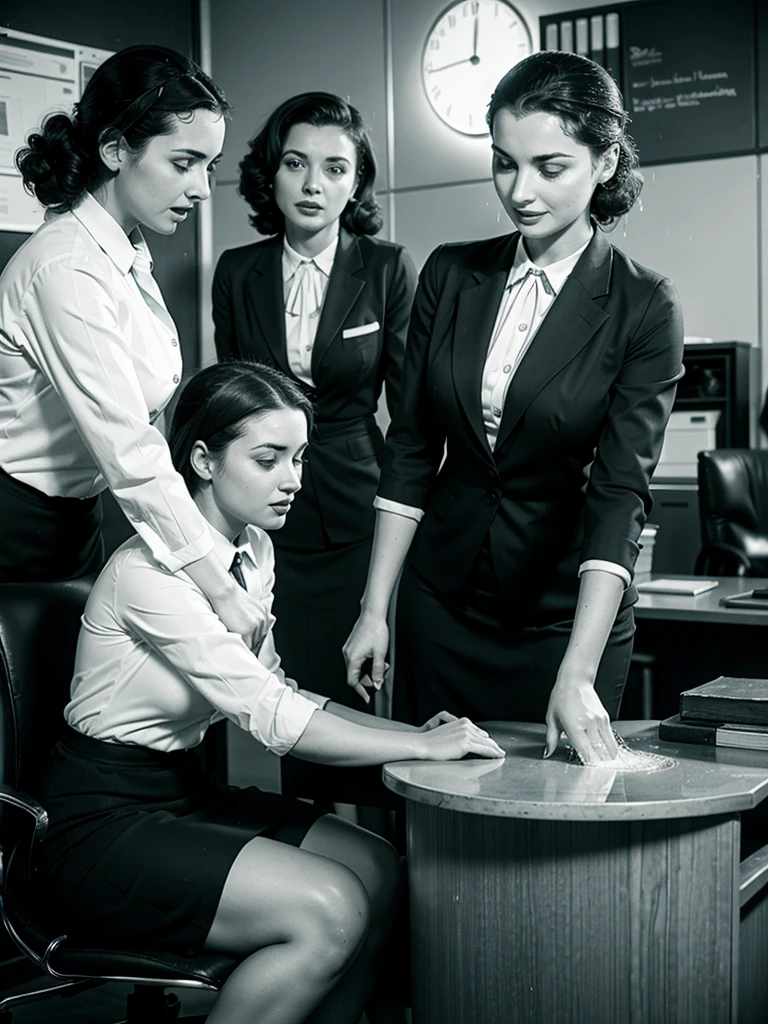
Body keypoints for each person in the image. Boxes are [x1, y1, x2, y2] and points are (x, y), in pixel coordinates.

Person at [32, 359, 504, 1024]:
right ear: (202, 459)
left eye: (301, 458)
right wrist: (427, 747)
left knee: (378, 867)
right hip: (101, 820)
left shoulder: (254, 549)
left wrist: (424, 740)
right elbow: (275, 719)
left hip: (182, 791)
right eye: (269, 459)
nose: (294, 481)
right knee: (330, 908)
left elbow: (281, 688)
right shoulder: (149, 573)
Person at [344, 51, 685, 765]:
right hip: (443, 600)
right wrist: (376, 608)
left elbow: (621, 493)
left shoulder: (644, 305)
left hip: (563, 616)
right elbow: (411, 447)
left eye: (549, 167)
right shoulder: (450, 271)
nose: (520, 191)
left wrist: (578, 670)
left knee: (553, 839)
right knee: (434, 824)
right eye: (504, 163)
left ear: (604, 161)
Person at [0, 45, 261, 646]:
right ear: (116, 150)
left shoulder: (124, 250)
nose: (201, 188)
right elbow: (127, 446)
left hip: (75, 519)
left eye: (208, 165)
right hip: (15, 525)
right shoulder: (64, 266)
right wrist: (218, 586)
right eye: (184, 162)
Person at [212, 92, 418, 802]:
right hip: (267, 514)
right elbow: (231, 408)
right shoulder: (237, 272)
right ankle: (309, 846)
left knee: (360, 690)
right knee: (287, 690)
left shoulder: (388, 269)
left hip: (358, 511)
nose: (312, 184)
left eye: (334, 168)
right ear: (271, 174)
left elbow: (412, 417)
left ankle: (377, 863)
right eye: (296, 164)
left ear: (356, 181)